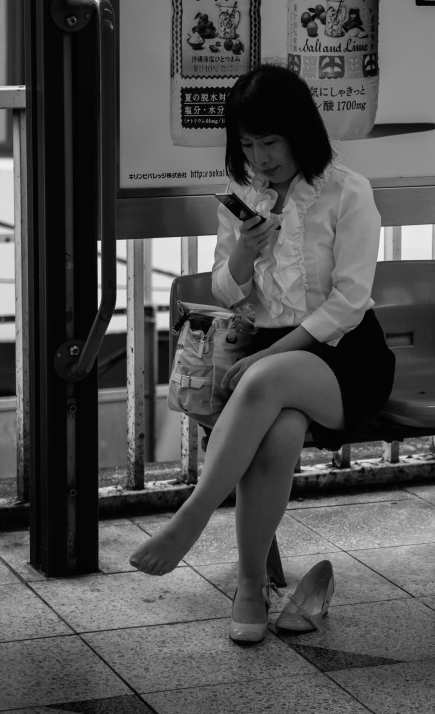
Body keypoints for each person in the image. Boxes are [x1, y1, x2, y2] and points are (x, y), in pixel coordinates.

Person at [129, 63, 394, 643]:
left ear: (301, 132)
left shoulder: (348, 192)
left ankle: (192, 517)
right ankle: (250, 587)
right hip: (269, 352)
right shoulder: (244, 197)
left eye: (270, 141)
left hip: (344, 354)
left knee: (264, 381)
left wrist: (270, 358)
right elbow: (226, 291)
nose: (261, 156)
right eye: (248, 144)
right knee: (277, 437)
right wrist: (246, 254)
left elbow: (349, 302)